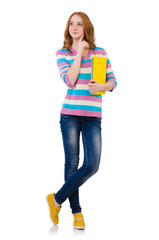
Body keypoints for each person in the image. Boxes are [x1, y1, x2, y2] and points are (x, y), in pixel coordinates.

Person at [47, 11, 117, 230]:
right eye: (71, 24)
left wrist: (101, 87)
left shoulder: (100, 53)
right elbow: (70, 80)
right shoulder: (62, 53)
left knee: (92, 164)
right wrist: (79, 53)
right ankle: (77, 212)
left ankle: (56, 198)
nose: (74, 27)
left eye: (79, 24)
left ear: (86, 27)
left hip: (92, 117)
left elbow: (113, 82)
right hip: (69, 115)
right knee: (72, 163)